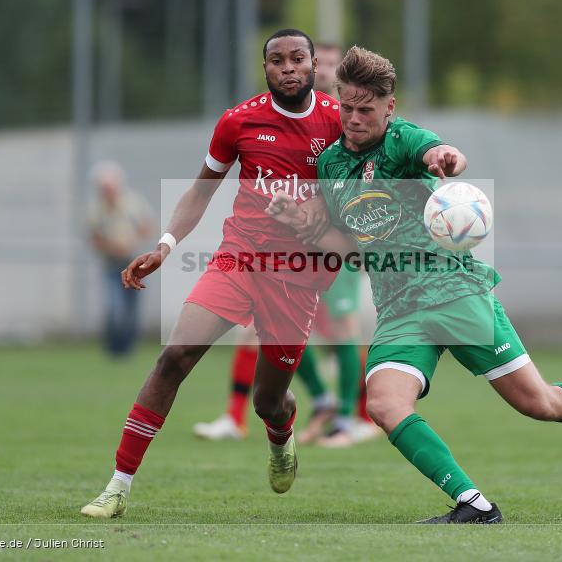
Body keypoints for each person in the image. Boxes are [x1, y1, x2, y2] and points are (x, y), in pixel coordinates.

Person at [267, 46, 562, 524]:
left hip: (453, 290)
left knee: (538, 403)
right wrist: (304, 226)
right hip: (398, 308)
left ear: (389, 108)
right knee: (386, 405)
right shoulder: (330, 166)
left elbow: (438, 151)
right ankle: (474, 504)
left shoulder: (402, 140)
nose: (352, 118)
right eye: (346, 106)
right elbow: (350, 246)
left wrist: (446, 157)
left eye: (365, 109)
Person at [80, 28, 343, 518]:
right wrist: (164, 245)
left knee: (270, 402)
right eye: (278, 60)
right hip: (239, 259)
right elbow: (200, 192)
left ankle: (281, 436)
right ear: (265, 69)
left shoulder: (337, 124)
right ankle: (117, 486)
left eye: (298, 58)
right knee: (174, 357)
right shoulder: (238, 121)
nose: (288, 67)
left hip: (298, 277)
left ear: (312, 66)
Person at [192, 42, 379, 447]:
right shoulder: (287, 117)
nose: (325, 70)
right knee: (264, 334)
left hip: (331, 250)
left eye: (329, 64)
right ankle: (250, 413)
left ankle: (350, 417)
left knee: (344, 330)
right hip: (282, 254)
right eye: (323, 63)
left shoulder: (344, 123)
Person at [87, 162, 155, 357]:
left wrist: (132, 243)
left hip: (135, 265)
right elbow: (93, 237)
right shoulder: (96, 210)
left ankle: (127, 349)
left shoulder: (133, 203)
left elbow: (146, 226)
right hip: (111, 265)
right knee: (114, 307)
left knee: (131, 310)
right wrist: (112, 247)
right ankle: (113, 348)